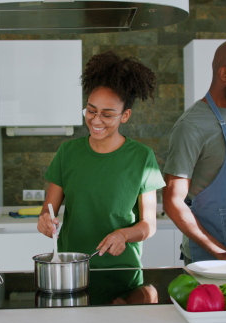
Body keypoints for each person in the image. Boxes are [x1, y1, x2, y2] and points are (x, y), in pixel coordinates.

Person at [36, 51, 165, 269]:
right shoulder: (68, 152)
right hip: (72, 267)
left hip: (123, 270)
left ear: (125, 116)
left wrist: (124, 234)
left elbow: (149, 225)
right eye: (91, 110)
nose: (96, 120)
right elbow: (48, 210)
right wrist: (45, 223)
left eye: (107, 114)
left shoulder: (142, 157)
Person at [163, 39, 226, 264]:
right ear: (224, 74)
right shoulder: (191, 125)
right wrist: (220, 252)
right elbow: (172, 201)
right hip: (209, 260)